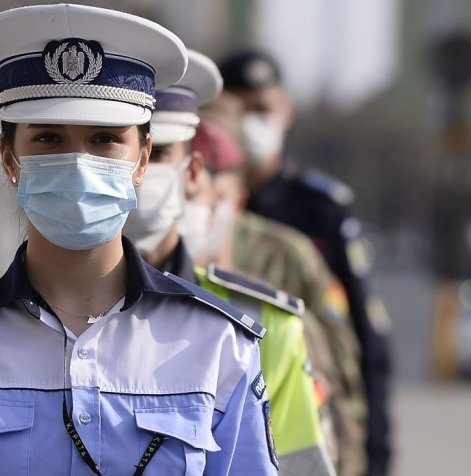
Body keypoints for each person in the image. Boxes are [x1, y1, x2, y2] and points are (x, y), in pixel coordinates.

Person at [0, 5, 277, 475]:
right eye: (49, 139)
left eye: (104, 139)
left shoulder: (218, 345)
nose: (78, 163)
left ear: (142, 158)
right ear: (8, 157)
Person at [122, 49, 334, 475]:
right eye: (114, 147)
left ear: (193, 172)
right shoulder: (26, 317)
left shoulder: (263, 327)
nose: (139, 172)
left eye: (158, 154)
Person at [219, 49, 392, 476]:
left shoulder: (320, 210)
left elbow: (362, 339)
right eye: (239, 109)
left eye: (262, 109)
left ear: (286, 110)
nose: (251, 123)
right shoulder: (200, 212)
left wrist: (375, 454)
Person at [187, 118, 367, 475]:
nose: (199, 210)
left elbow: (339, 383)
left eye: (213, 197)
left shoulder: (277, 295)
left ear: (237, 200)